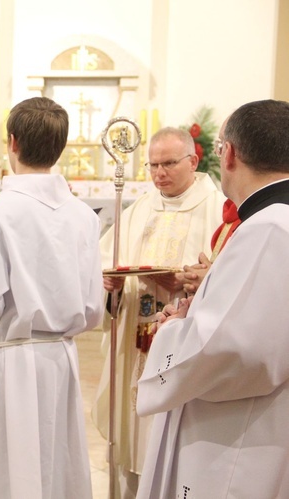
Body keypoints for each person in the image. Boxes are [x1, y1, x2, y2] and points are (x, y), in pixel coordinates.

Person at [0, 97, 103, 498]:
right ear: (61, 147)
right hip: (61, 358)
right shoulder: (83, 215)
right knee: (57, 462)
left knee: (11, 471)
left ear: (12, 142)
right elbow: (91, 307)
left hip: (11, 358)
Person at [136, 99, 289, 498]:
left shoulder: (269, 228)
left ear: (230, 154)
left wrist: (174, 330)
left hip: (237, 434)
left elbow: (235, 353)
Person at [92, 126, 226, 498]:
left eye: (168, 163)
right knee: (133, 430)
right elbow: (107, 262)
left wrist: (189, 284)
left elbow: (230, 277)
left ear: (193, 161)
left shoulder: (217, 209)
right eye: (152, 165)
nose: (159, 173)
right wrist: (111, 288)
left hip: (183, 338)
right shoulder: (139, 209)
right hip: (135, 334)